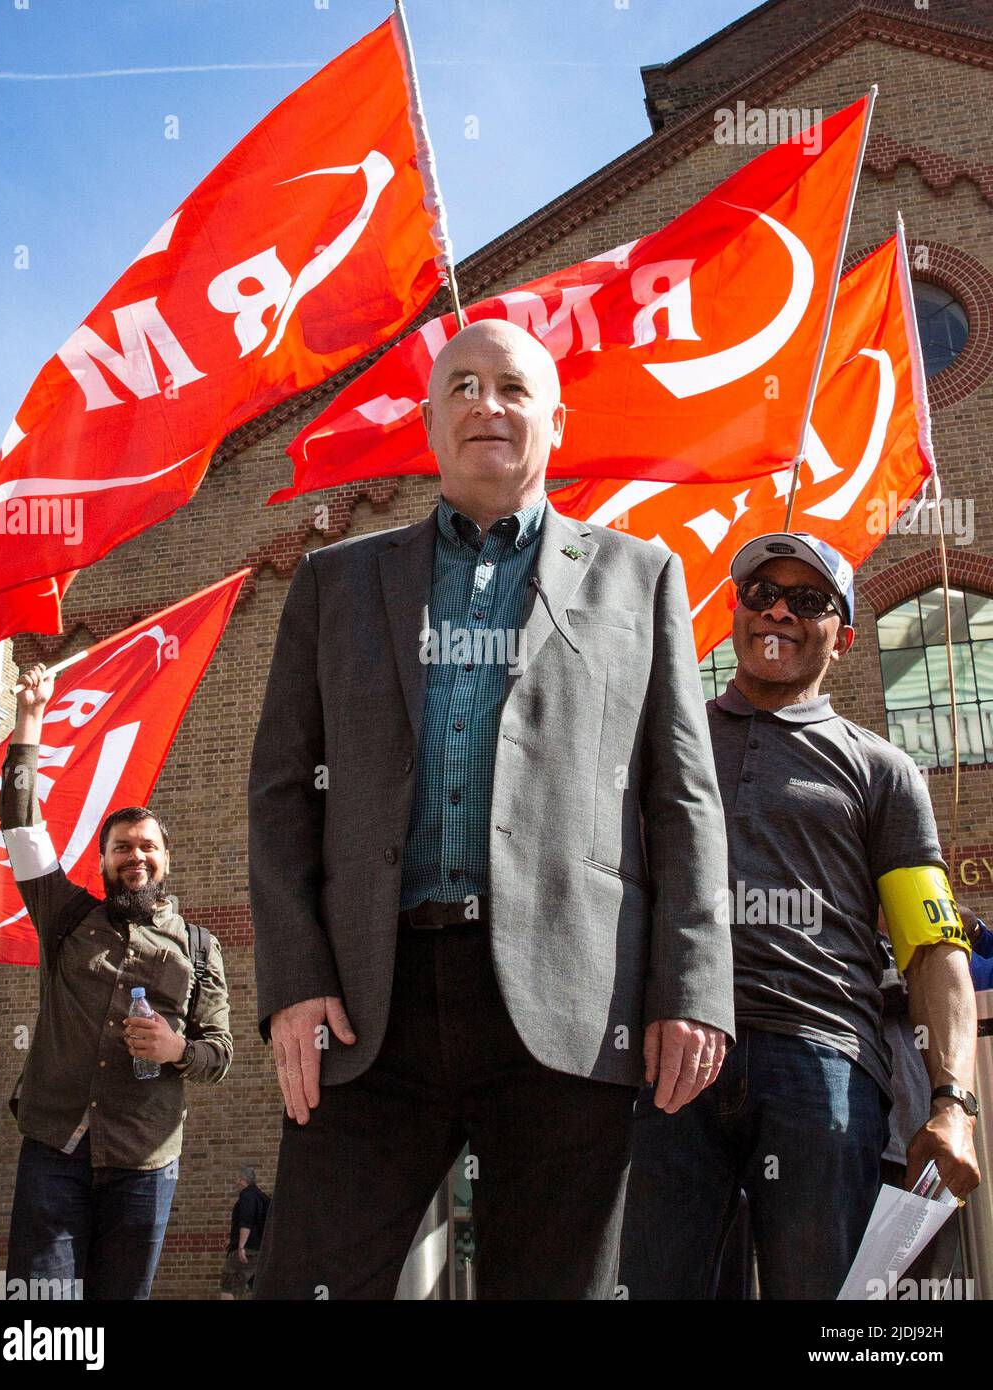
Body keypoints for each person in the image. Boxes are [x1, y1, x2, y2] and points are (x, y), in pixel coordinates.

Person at [248, 318, 734, 1300]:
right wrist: (292, 981)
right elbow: (278, 791)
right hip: (366, 1004)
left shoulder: (641, 579)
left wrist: (690, 985)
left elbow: (681, 797)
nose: (486, 405)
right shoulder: (333, 581)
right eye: (461, 387)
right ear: (428, 421)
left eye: (511, 388)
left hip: (569, 1001)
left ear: (554, 420)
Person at [620, 532, 981, 1300]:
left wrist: (954, 1104)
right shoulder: (660, 747)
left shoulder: (884, 770)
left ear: (844, 636)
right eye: (760, 592)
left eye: (808, 600)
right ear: (734, 607)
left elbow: (934, 947)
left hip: (823, 1067)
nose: (777, 610)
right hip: (669, 1059)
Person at [0, 663, 233, 1301]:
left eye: (147, 847)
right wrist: (30, 719)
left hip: (144, 1160)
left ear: (166, 858)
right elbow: (20, 824)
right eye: (122, 848)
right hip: (53, 1147)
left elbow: (220, 1053)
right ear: (102, 861)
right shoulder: (66, 916)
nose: (137, 857)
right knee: (42, 1312)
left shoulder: (200, 946)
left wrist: (176, 1049)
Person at [219, 1166, 271, 1299]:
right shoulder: (263, 1198)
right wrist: (233, 1239)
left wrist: (241, 1246)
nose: (235, 1182)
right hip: (259, 1251)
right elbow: (258, 1223)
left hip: (246, 1251)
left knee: (229, 1287)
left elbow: (246, 1222)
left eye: (237, 1179)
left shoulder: (247, 1197)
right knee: (257, 1287)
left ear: (243, 1180)